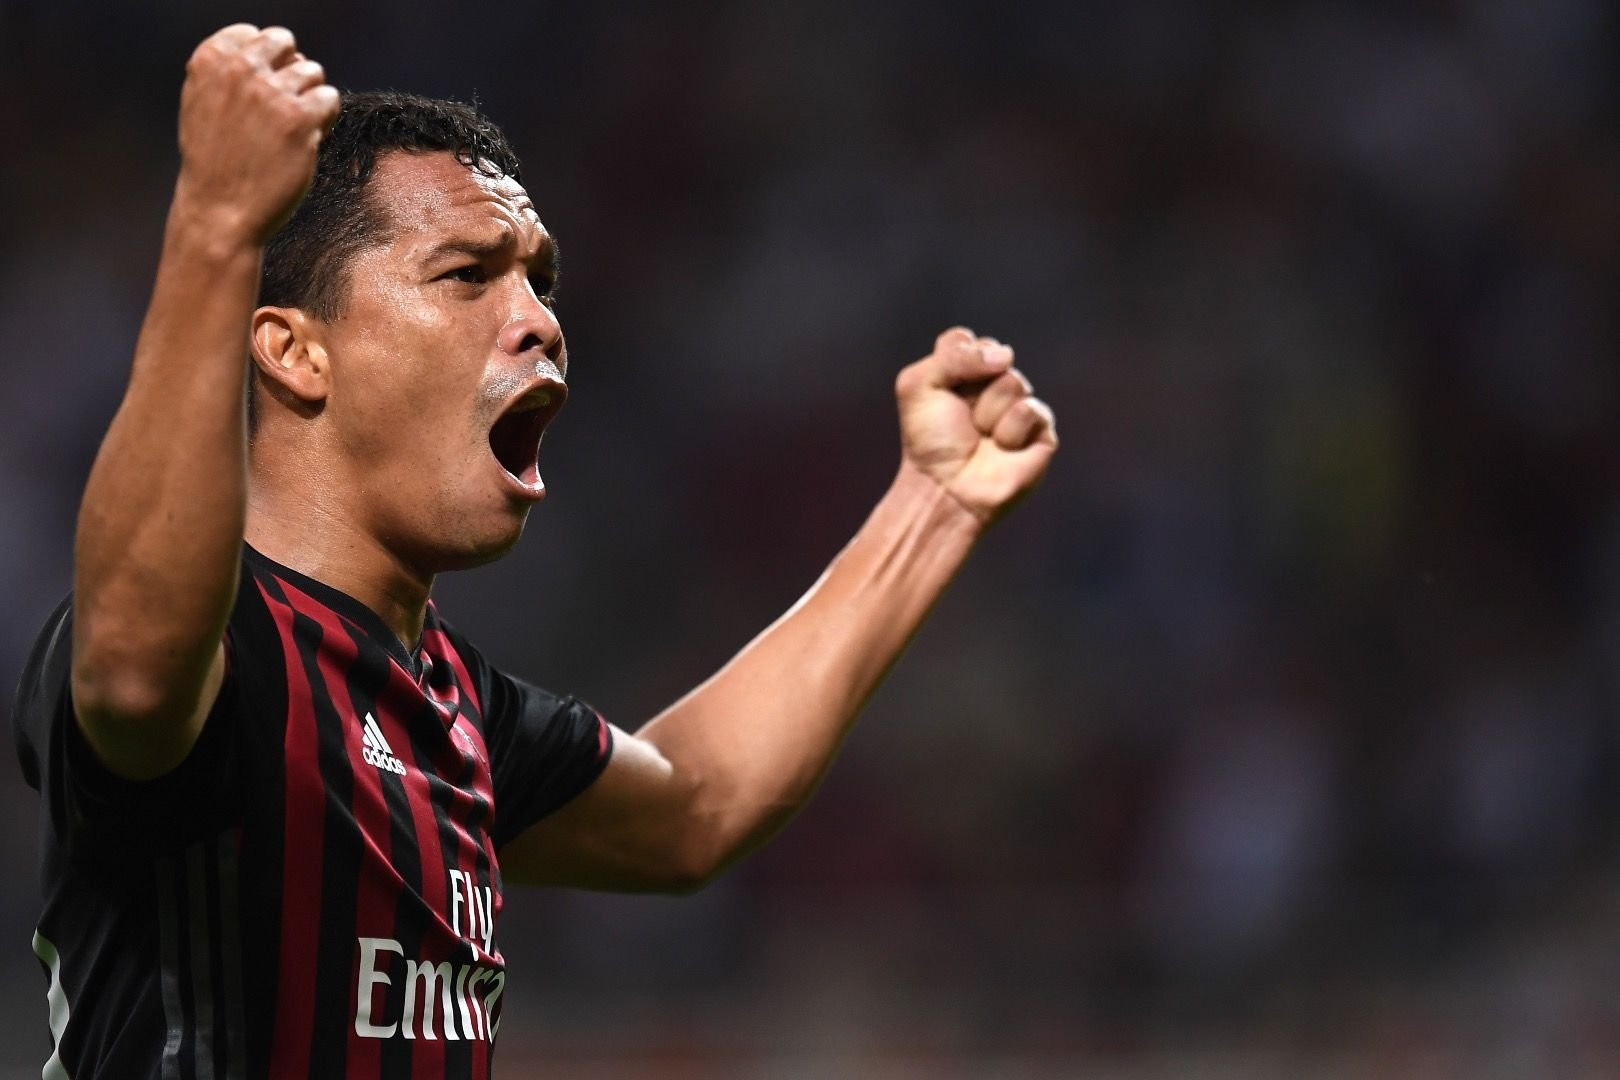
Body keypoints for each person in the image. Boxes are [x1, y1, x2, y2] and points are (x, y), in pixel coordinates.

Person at [11, 22, 1058, 1079]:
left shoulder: (452, 705)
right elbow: (136, 661)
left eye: (539, 281)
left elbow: (695, 804)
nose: (539, 321)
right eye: (468, 274)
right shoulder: (223, 659)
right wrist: (216, 225)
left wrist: (934, 506)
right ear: (295, 352)